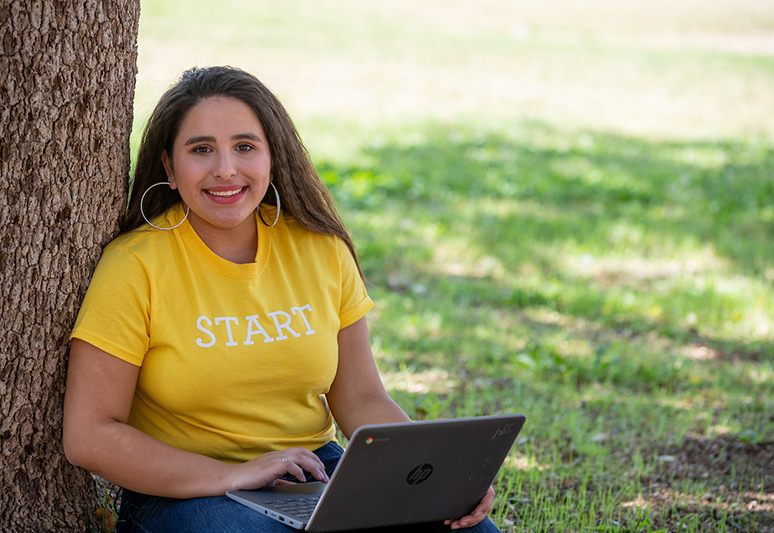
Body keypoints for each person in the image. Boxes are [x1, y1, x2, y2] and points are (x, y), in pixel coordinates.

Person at [62, 66, 501, 533]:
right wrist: (232, 475)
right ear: (169, 166)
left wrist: (434, 474)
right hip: (186, 487)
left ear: (273, 156)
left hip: (310, 472)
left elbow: (361, 398)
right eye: (201, 149)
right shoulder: (135, 264)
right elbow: (90, 436)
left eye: (245, 147)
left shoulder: (319, 249)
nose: (225, 168)